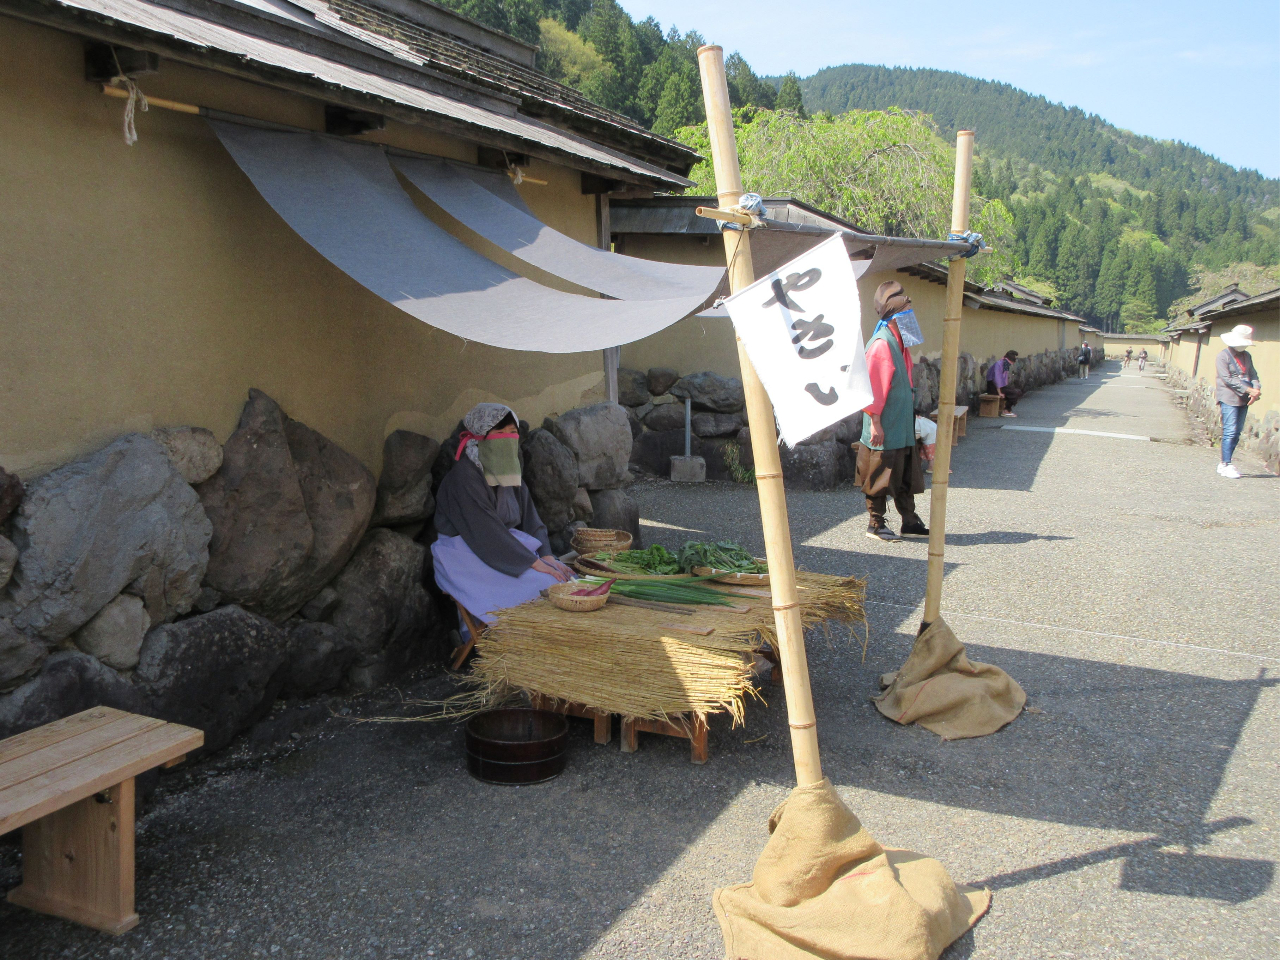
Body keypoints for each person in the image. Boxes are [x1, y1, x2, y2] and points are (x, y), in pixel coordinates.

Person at [432, 403, 575, 625]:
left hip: (504, 547)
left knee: (566, 578)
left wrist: (546, 556)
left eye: (512, 432)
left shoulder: (507, 470)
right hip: (464, 554)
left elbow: (531, 519)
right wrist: (533, 562)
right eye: (499, 433)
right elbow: (484, 532)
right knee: (545, 586)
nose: (507, 439)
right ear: (479, 437)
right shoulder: (464, 477)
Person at [857, 281, 929, 542]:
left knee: (905, 472)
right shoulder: (881, 344)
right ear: (897, 317)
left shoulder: (900, 344)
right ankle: (875, 523)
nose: (912, 317)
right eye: (908, 312)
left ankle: (909, 521)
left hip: (901, 424)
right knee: (879, 471)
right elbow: (873, 387)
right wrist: (875, 422)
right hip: (884, 424)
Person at [1215, 325, 1261, 479]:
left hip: (1243, 399)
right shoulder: (1223, 356)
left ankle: (1224, 462)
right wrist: (1249, 390)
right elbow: (1226, 379)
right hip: (1228, 397)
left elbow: (1253, 374)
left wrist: (1256, 389)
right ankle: (1226, 463)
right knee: (1230, 430)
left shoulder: (1247, 356)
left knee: (1237, 432)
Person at [986, 350, 1023, 418]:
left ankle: (1007, 409)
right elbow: (997, 379)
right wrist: (999, 392)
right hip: (993, 387)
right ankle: (1006, 411)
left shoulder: (1005, 364)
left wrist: (1006, 387)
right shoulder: (998, 364)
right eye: (1010, 363)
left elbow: (1004, 378)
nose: (1010, 364)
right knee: (1014, 393)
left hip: (1001, 386)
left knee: (1018, 392)